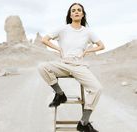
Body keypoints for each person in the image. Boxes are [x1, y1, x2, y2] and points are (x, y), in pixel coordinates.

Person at [38, 3, 105, 132]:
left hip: (79, 65)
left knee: (97, 88)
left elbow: (101, 46)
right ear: (70, 14)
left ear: (83, 14)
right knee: (42, 67)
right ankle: (60, 94)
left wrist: (87, 51)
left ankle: (83, 123)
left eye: (79, 10)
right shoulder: (63, 29)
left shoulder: (87, 31)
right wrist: (58, 48)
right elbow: (44, 39)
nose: (76, 12)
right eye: (73, 10)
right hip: (63, 64)